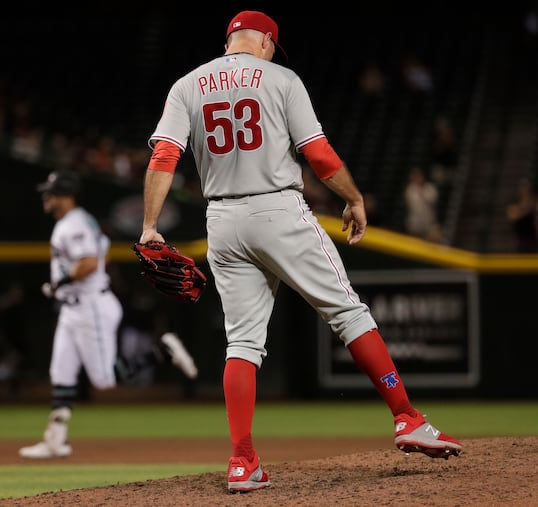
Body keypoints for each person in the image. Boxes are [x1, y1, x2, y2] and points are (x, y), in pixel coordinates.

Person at [138, 10, 462, 493]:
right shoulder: (282, 79)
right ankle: (407, 417)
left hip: (222, 222)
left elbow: (164, 156)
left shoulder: (187, 85)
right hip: (278, 210)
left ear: (230, 41)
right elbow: (319, 154)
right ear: (266, 42)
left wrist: (149, 227)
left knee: (242, 344)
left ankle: (243, 462)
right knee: (349, 314)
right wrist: (353, 198)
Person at [19, 170, 198, 459]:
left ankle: (163, 351)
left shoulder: (73, 225)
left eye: (51, 193)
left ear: (65, 196)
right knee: (61, 373)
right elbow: (102, 254)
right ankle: (55, 440)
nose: (46, 197)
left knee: (103, 379)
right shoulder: (80, 221)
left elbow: (89, 262)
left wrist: (59, 283)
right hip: (73, 307)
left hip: (90, 307)